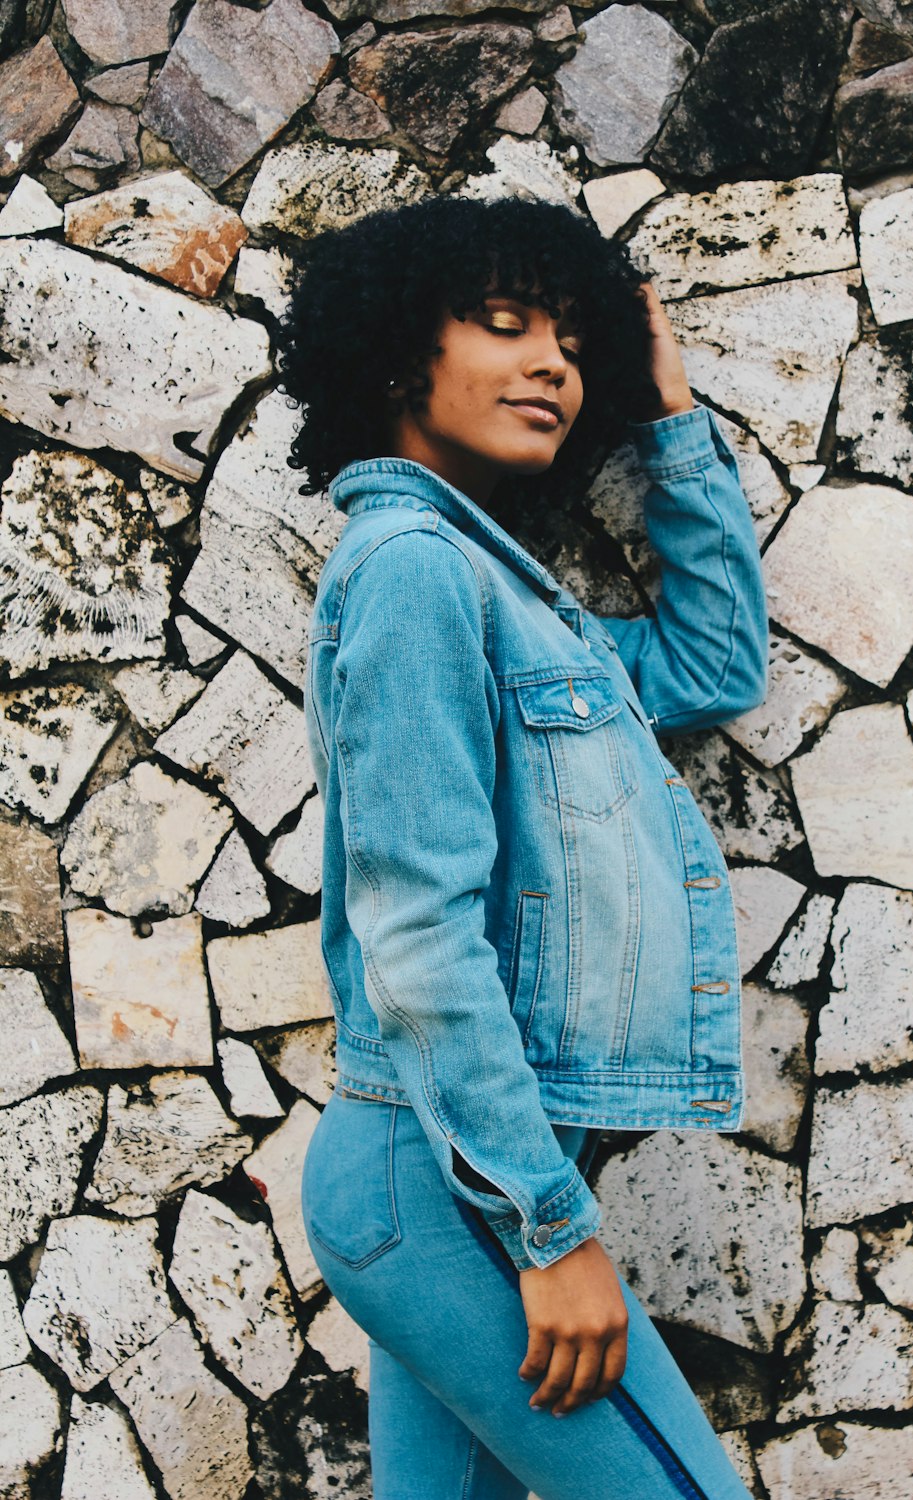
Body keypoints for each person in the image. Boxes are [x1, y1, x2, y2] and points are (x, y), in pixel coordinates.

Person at [278, 194, 769, 1500]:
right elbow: (418, 930)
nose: (553, 359)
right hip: (455, 1191)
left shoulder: (516, 606)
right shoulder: (415, 572)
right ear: (395, 357)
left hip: (434, 1179)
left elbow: (717, 660)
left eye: (570, 337)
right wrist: (552, 1232)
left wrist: (665, 408)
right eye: (506, 325)